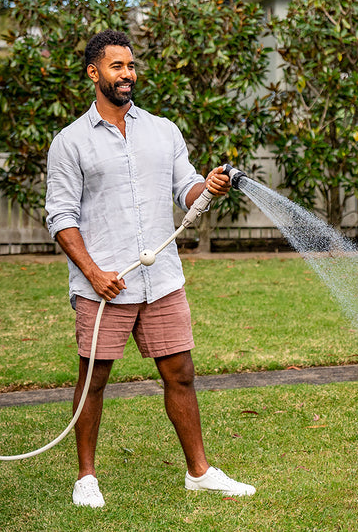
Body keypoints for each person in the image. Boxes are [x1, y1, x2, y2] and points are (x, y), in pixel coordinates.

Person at [45, 29, 256, 508]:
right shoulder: (70, 143)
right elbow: (60, 217)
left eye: (131, 65)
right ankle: (86, 478)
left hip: (161, 280)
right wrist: (94, 273)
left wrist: (210, 186)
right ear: (93, 72)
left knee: (180, 372)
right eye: (117, 66)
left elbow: (187, 190)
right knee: (94, 379)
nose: (128, 74)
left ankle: (199, 473)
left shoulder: (163, 130)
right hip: (105, 285)